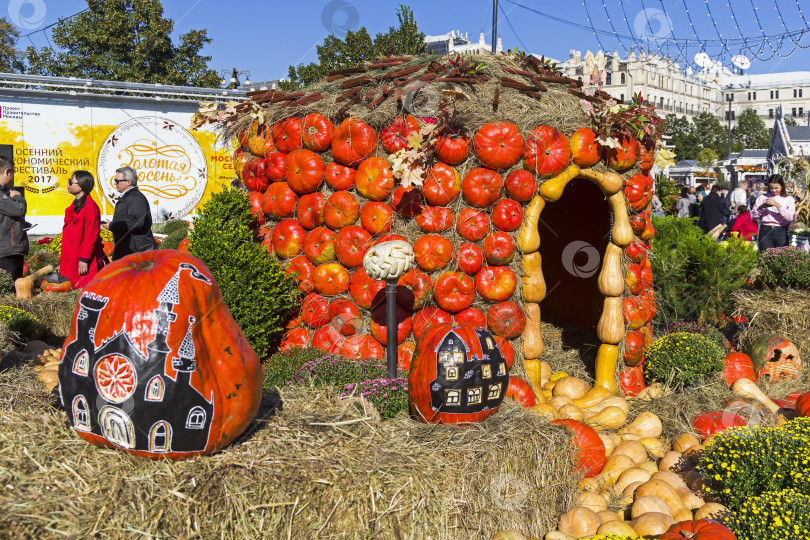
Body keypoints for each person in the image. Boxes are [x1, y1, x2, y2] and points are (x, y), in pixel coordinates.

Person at [60, 170, 107, 288]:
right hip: (72, 256)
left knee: (84, 290)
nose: (68, 185)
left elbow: (90, 235)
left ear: (82, 185)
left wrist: (84, 259)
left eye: (71, 182)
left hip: (83, 258)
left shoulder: (90, 207)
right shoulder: (76, 205)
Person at [102, 166, 157, 260]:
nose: (115, 183)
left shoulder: (134, 198)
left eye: (117, 181)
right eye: (114, 180)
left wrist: (112, 226)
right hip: (129, 250)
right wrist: (113, 224)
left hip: (137, 252)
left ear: (129, 182)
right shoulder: (129, 197)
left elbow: (136, 222)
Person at [750, 174, 796, 250]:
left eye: (776, 188)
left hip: (781, 230)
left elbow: (790, 217)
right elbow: (753, 216)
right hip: (765, 229)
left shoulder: (788, 199)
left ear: (782, 186)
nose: (774, 190)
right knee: (765, 256)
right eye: (771, 188)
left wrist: (778, 206)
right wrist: (761, 207)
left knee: (782, 257)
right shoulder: (762, 197)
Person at [0, 156, 29, 280]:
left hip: (9, 248)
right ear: (7, 171)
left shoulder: (4, 193)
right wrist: (18, 197)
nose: (13, 176)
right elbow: (20, 210)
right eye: (13, 172)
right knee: (12, 288)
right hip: (7, 250)